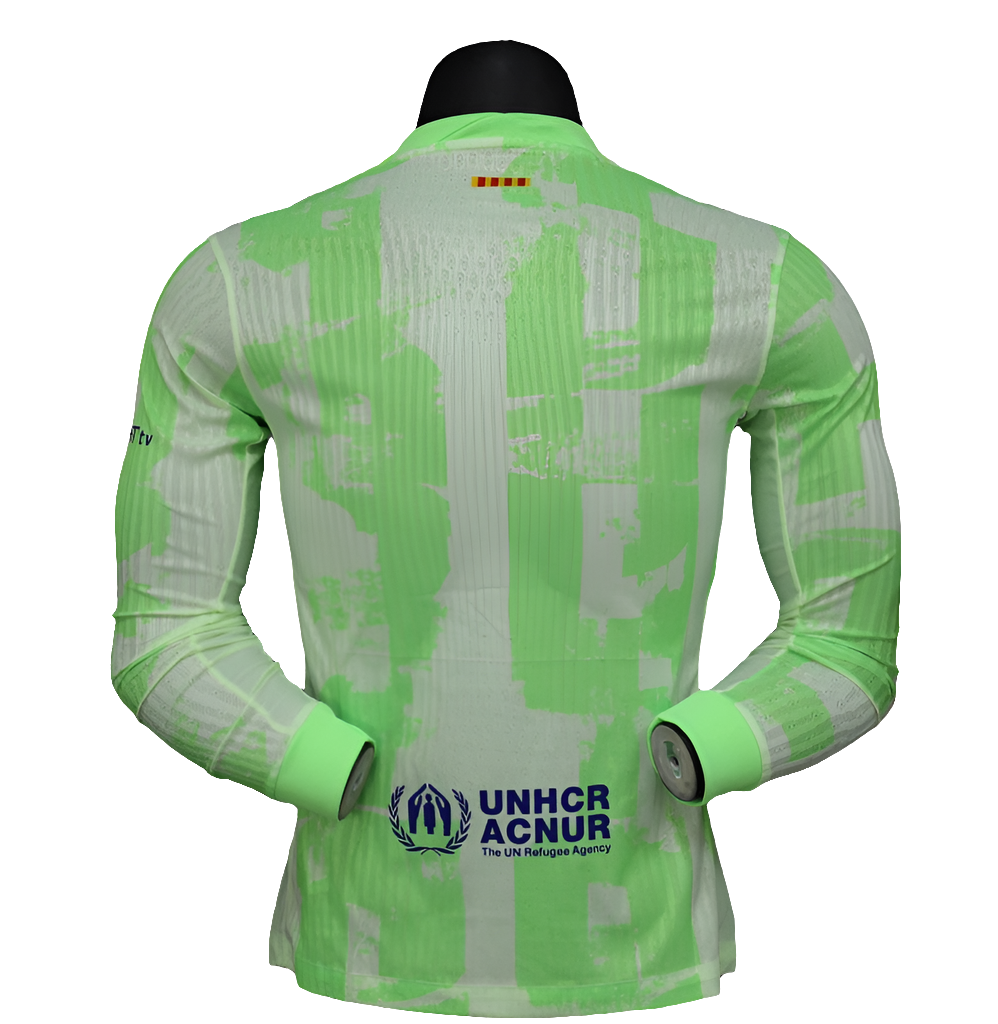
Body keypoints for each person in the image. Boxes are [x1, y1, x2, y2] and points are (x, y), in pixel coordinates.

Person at [112, 39, 900, 1016]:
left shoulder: (239, 276)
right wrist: (321, 762)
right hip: (568, 939)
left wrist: (318, 764)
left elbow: (162, 636)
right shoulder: (769, 275)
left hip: (400, 934)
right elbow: (849, 650)